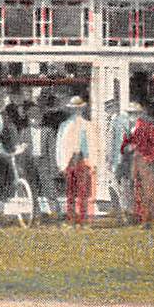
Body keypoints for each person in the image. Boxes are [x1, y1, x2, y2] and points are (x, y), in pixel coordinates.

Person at [123, 101, 154, 227]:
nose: (132, 116)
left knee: (147, 192)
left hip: (145, 162)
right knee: (135, 190)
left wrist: (149, 157)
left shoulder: (147, 127)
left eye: (134, 113)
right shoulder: (128, 128)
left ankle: (147, 220)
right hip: (132, 162)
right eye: (130, 113)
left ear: (139, 114)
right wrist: (126, 148)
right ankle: (138, 217)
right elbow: (124, 145)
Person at [55, 96, 94, 227]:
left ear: (82, 109)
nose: (76, 111)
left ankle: (83, 220)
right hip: (69, 160)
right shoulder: (64, 125)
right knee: (70, 192)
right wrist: (61, 163)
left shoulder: (87, 125)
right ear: (70, 110)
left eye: (79, 109)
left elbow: (92, 145)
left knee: (83, 192)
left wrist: (92, 162)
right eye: (74, 109)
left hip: (83, 160)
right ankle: (71, 219)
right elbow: (59, 145)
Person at [103, 97, 133, 222]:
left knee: (122, 188)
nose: (107, 110)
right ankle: (121, 213)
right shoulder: (111, 121)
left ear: (114, 108)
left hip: (120, 160)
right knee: (116, 187)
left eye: (109, 108)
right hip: (113, 160)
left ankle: (127, 215)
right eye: (106, 108)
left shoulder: (120, 121)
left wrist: (117, 161)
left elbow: (121, 143)